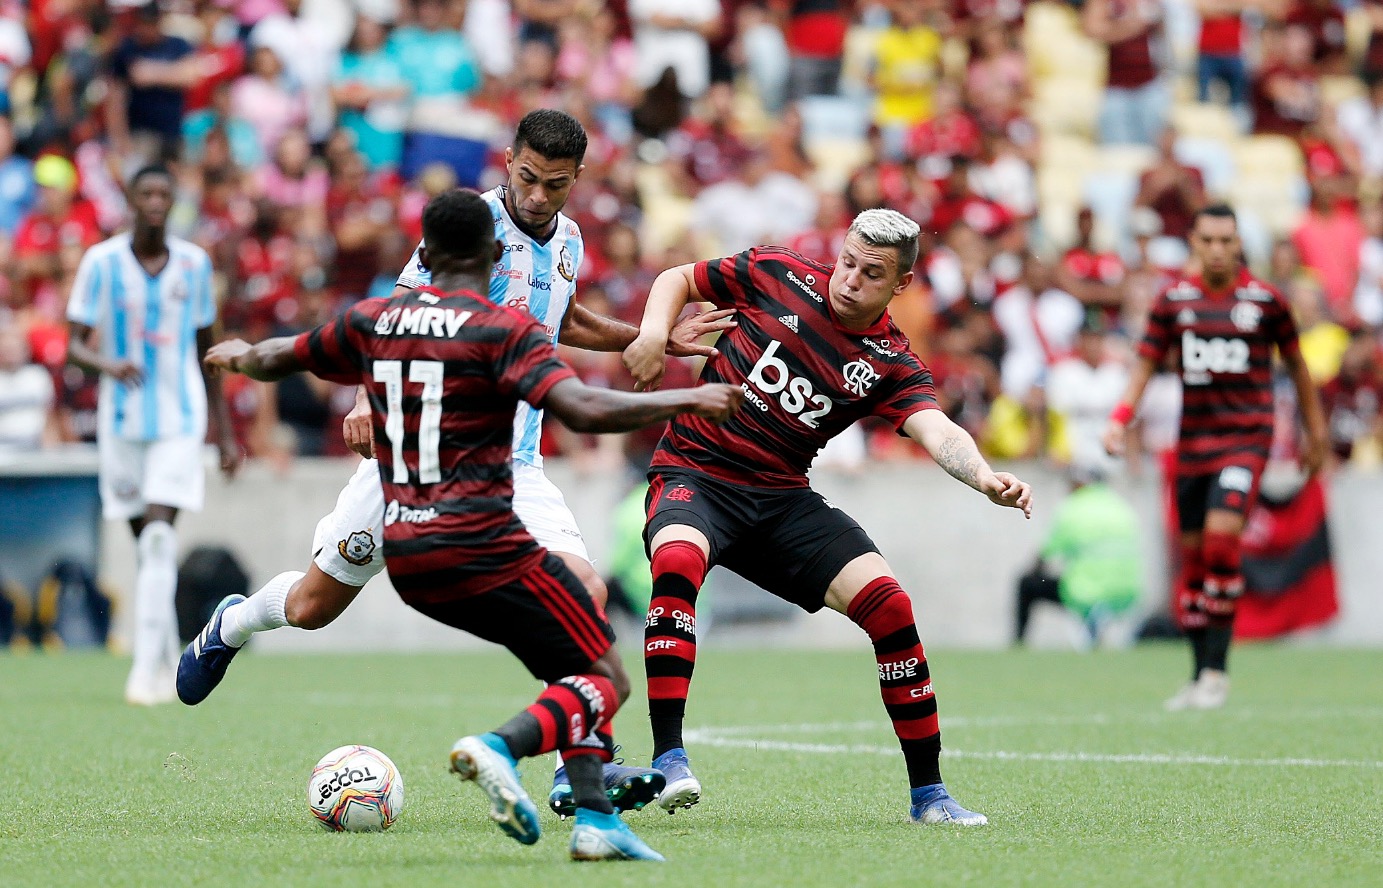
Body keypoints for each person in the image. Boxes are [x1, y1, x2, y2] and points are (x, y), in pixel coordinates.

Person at [177, 110, 732, 814]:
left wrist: (662, 341)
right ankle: (233, 623)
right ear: (508, 161)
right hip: (409, 457)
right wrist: (365, 402)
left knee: (584, 591)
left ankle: (576, 768)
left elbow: (562, 315)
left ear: (576, 180)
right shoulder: (467, 229)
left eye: (553, 185)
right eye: (526, 178)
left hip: (511, 465)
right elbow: (398, 311)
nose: (536, 196)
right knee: (314, 606)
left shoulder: (567, 239)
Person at [622, 209, 1034, 825]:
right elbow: (678, 278)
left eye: (872, 274)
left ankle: (931, 797)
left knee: (890, 606)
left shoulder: (890, 361)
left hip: (779, 499)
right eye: (848, 262)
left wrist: (984, 478)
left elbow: (935, 429)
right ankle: (671, 758)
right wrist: (655, 333)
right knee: (678, 561)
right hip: (694, 475)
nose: (850, 280)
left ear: (900, 284)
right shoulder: (777, 273)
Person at [1103, 204, 1328, 710]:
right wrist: (1119, 419)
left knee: (1223, 545)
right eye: (1209, 241)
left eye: (1228, 241)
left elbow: (1298, 368)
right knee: (1196, 564)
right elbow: (1143, 365)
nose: (1219, 250)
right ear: (1195, 245)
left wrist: (1316, 433)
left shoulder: (1266, 302)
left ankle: (1217, 675)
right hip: (1192, 447)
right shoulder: (1174, 301)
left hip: (1246, 441)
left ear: (1239, 244)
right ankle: (1200, 674)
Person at [66, 165, 240, 705]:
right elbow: (73, 343)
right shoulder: (101, 262)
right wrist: (105, 364)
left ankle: (144, 672)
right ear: (131, 201)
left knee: (161, 537)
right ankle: (168, 657)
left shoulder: (193, 263)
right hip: (121, 422)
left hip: (179, 420)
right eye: (147, 193)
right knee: (149, 549)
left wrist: (225, 431)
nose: (157, 202)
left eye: (166, 193)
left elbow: (205, 349)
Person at [1014, 467, 1142, 646]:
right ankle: (1098, 621)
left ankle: (1019, 643)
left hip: (1086, 591)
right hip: (1126, 592)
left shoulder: (1073, 507)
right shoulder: (1121, 506)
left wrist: (1037, 571)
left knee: (1027, 583)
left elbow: (1044, 556)